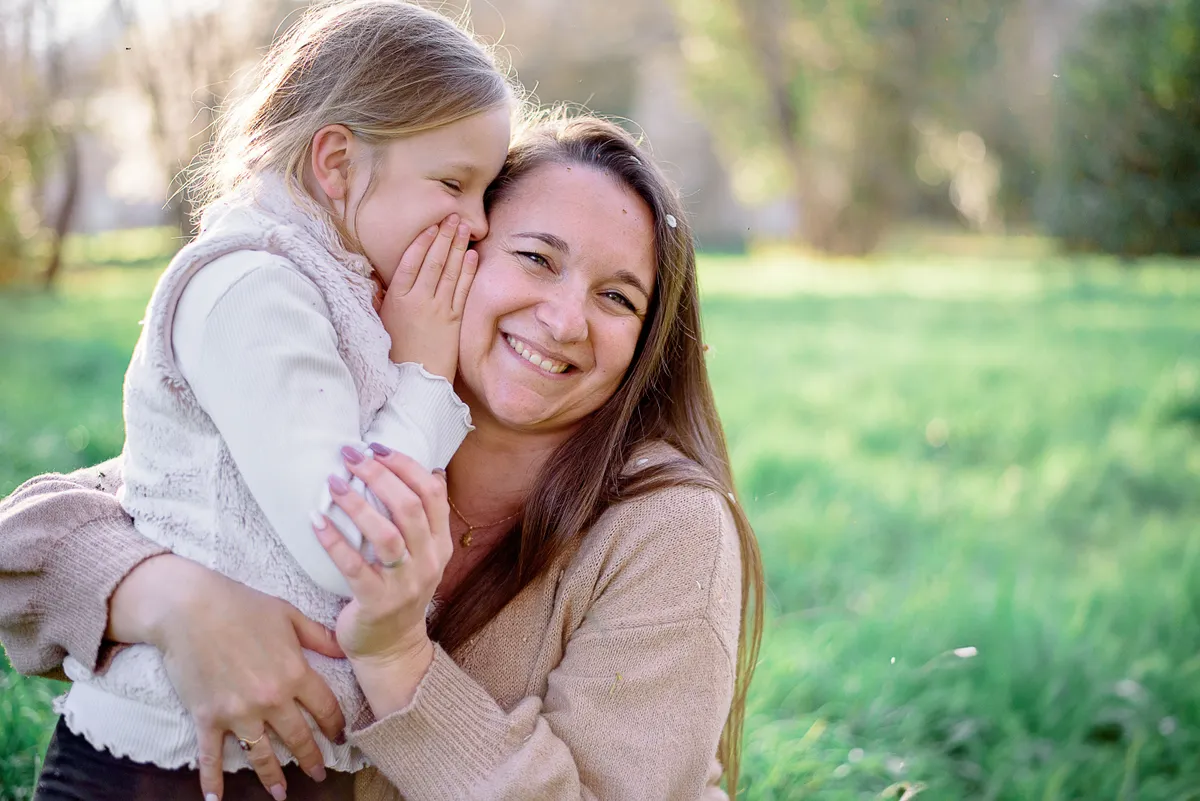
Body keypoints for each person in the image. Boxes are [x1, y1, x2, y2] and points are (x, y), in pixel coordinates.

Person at [0, 116, 765, 801]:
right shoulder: (365, 414)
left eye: (618, 298)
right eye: (535, 258)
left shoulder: (670, 528)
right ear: (453, 248)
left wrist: (400, 661)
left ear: (645, 342)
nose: (566, 320)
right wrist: (173, 602)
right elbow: (34, 538)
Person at [30, 0, 513, 797]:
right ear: (336, 162)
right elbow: (348, 543)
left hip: (280, 757)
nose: (476, 223)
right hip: (168, 763)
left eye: (488, 190)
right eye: (454, 183)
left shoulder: (337, 286)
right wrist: (424, 371)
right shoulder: (252, 286)